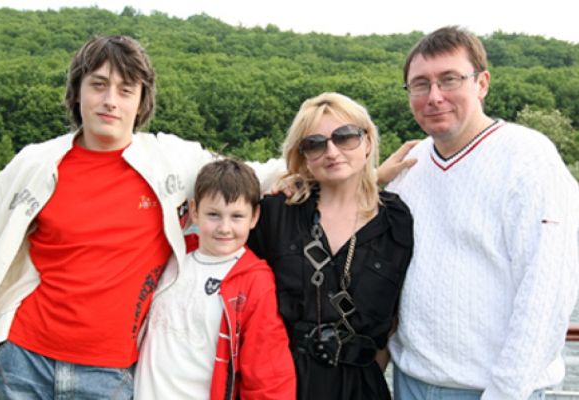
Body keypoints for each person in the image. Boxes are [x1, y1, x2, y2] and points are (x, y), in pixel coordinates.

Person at [0, 35, 285, 399]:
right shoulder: (36, 162)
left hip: (109, 373)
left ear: (141, 102)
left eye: (126, 90)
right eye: (98, 85)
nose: (110, 100)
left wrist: (310, 172)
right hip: (22, 359)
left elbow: (248, 177)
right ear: (77, 93)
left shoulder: (169, 161)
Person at [387, 26, 579, 400]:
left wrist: (505, 392)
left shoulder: (528, 159)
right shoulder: (409, 167)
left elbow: (547, 290)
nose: (434, 96)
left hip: (491, 390)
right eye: (420, 84)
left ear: (482, 83)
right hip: (410, 381)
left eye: (450, 79)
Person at [248, 92, 414, 399]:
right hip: (282, 384)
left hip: (361, 387)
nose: (332, 151)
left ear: (367, 142)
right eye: (315, 144)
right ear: (304, 156)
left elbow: (393, 319)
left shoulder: (396, 220)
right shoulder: (276, 213)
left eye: (345, 137)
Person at [134, 159, 296, 399]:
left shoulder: (254, 281)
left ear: (254, 216)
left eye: (237, 216)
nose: (224, 228)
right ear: (194, 211)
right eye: (213, 215)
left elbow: (268, 374)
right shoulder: (172, 256)